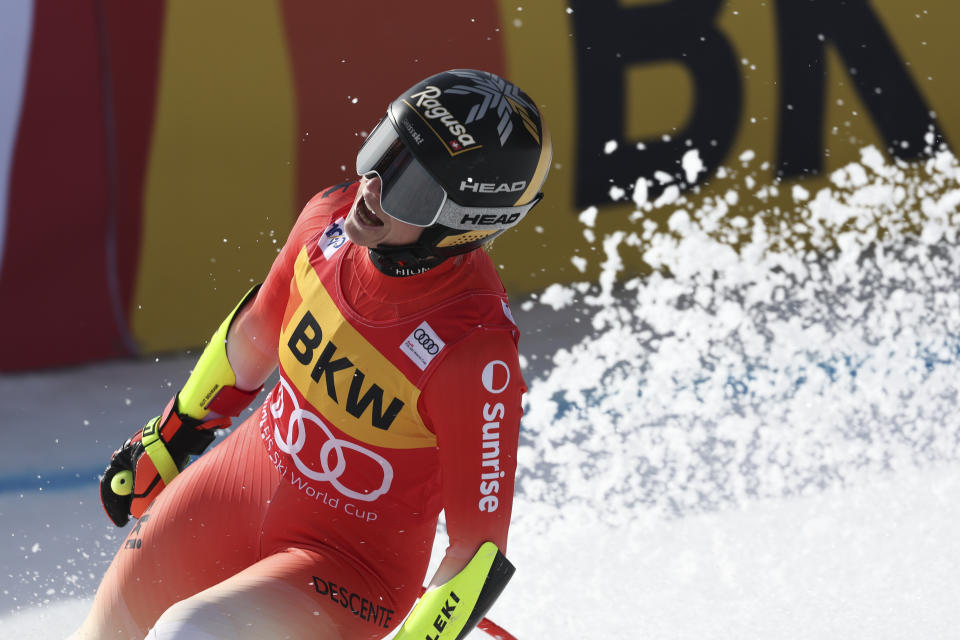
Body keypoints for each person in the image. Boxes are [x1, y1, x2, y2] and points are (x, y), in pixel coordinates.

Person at [69, 68, 552, 639]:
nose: (372, 188)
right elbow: (255, 334)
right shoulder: (326, 219)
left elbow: (477, 552)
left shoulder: (476, 355)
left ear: (461, 223)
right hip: (233, 492)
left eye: (410, 187)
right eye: (385, 150)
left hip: (349, 570)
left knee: (190, 633)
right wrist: (171, 433)